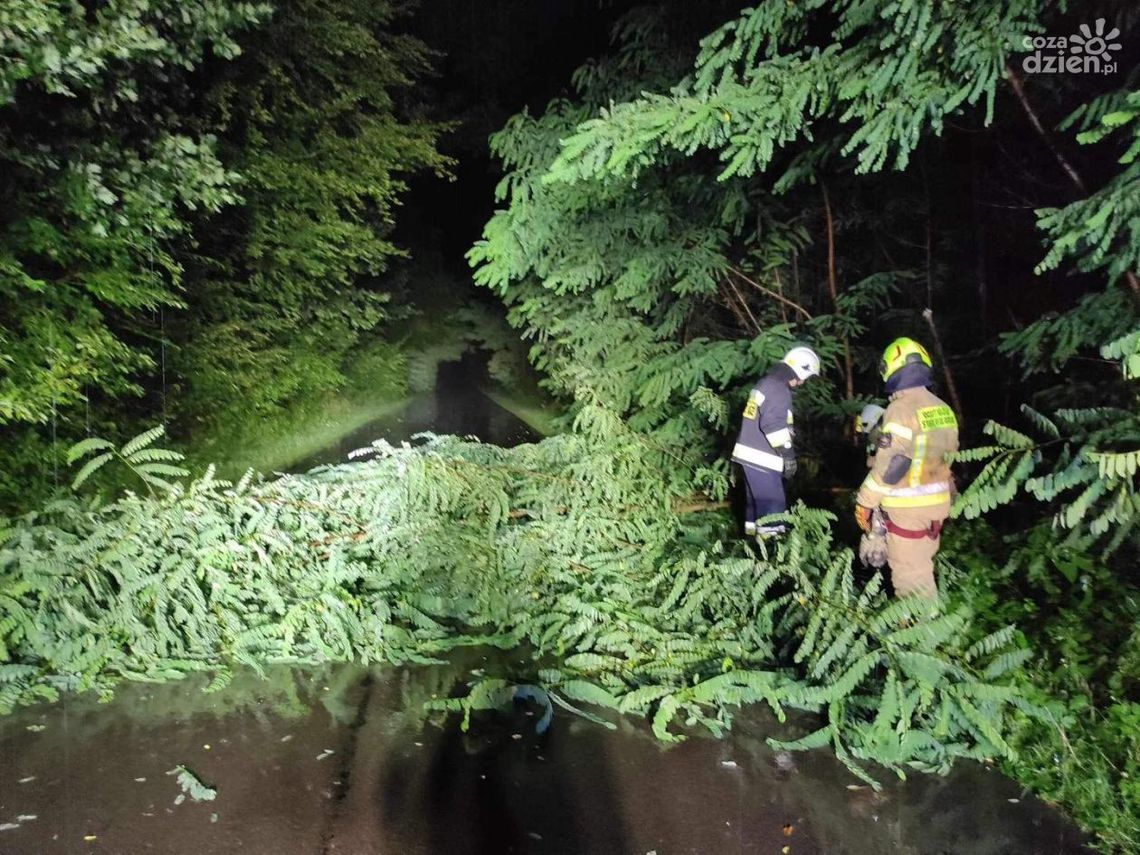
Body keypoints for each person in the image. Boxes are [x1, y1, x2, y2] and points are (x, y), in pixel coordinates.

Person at [854, 338, 959, 597]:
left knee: (909, 579)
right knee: (922, 569)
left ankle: (919, 633)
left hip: (908, 510)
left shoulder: (900, 409)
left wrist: (865, 502)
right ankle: (929, 628)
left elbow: (892, 465)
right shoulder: (943, 408)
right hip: (936, 506)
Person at [732, 346, 821, 536]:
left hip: (749, 457)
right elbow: (772, 424)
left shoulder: (766, 384)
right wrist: (788, 455)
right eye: (805, 377)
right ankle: (773, 555)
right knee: (773, 509)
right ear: (800, 370)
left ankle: (751, 551)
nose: (802, 383)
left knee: (756, 509)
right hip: (763, 459)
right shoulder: (778, 389)